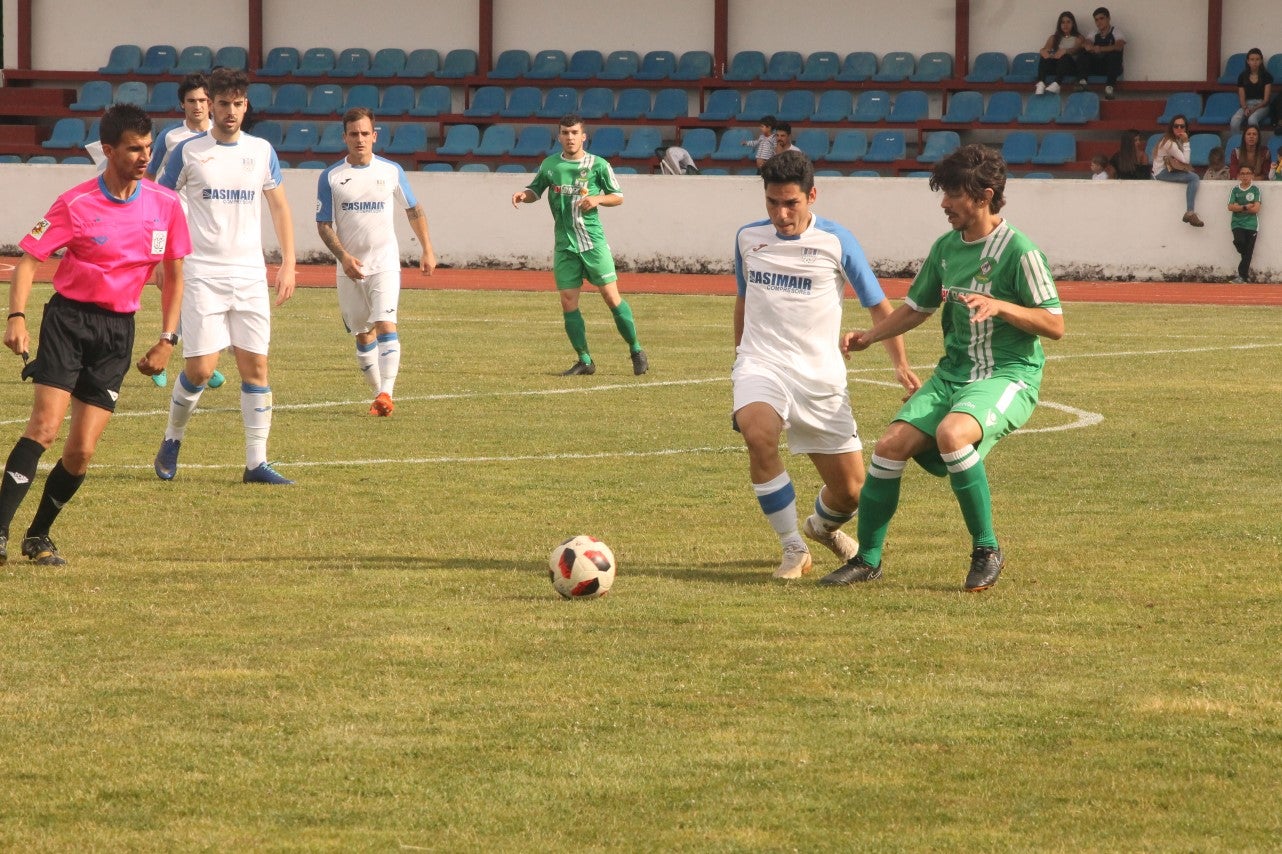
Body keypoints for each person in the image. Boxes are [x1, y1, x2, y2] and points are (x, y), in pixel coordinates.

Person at [818, 144, 1064, 592]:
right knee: (890, 444)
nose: (944, 203)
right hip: (953, 375)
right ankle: (868, 559)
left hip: (1007, 375)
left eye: (953, 192)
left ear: (985, 195)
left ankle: (986, 549)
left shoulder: (1020, 251)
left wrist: (1001, 306)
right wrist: (869, 337)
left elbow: (1054, 324)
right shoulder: (947, 248)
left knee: (952, 435)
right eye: (944, 192)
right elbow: (917, 307)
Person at [1, 103, 190, 566]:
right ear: (108, 150)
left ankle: (38, 536)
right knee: (44, 427)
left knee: (82, 451)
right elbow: (29, 260)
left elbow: (174, 273)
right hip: (68, 321)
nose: (145, 157)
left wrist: (168, 339)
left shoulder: (165, 206)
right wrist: (17, 317)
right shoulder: (75, 203)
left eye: (148, 148)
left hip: (116, 331)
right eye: (134, 149)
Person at [733, 150, 919, 580]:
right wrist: (739, 359)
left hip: (819, 377)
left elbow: (879, 307)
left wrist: (900, 364)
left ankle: (820, 528)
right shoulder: (747, 238)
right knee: (758, 434)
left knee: (851, 491)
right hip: (762, 364)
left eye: (791, 203)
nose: (781, 214)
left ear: (812, 196)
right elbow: (744, 300)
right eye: (772, 203)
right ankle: (792, 547)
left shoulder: (837, 241)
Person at [152, 67, 298, 485]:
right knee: (200, 369)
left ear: (245, 105)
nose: (229, 112)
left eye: (237, 104)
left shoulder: (261, 151)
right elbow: (160, 203)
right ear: (210, 105)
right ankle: (172, 437)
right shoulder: (188, 151)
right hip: (201, 274)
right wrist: (162, 260)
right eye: (222, 104)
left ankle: (256, 463)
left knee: (257, 368)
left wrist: (288, 262)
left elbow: (280, 208)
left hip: (250, 274)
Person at [317, 107, 436, 416]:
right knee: (362, 333)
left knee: (385, 323)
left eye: (365, 133)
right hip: (349, 268)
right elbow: (324, 224)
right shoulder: (331, 177)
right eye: (353, 134)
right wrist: (343, 257)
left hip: (384, 262)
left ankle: (387, 392)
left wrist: (427, 248)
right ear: (344, 137)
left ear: (375, 136)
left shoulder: (390, 171)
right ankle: (377, 393)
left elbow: (413, 209)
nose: (360, 139)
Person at [511, 114, 647, 377]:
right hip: (565, 245)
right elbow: (535, 190)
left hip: (593, 242)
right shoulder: (550, 165)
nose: (570, 137)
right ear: (559, 136)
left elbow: (618, 197)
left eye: (574, 132)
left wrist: (597, 200)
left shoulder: (598, 165)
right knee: (568, 300)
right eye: (565, 132)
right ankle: (585, 360)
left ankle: (636, 349)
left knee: (611, 297)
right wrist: (522, 195)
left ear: (584, 136)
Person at [144, 72, 224, 392]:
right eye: (192, 101)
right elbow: (149, 178)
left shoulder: (222, 138)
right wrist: (150, 224)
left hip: (208, 231)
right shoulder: (170, 138)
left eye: (203, 100)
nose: (198, 106)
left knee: (201, 297)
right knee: (173, 291)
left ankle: (197, 358)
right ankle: (168, 354)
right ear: (182, 104)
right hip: (171, 228)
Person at [1151, 115, 1204, 227]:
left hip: (1166, 170)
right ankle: (1190, 212)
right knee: (1194, 178)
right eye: (1176, 126)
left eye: (1182, 126)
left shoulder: (1172, 140)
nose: (1179, 128)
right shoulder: (1170, 143)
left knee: (1193, 176)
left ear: (1185, 128)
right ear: (1172, 127)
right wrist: (1186, 142)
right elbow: (1186, 160)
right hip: (1162, 172)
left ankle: (1190, 213)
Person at [1077, 6, 1125, 99]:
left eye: (1101, 18)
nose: (1099, 22)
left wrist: (1101, 49)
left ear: (1108, 18)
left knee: (1115, 54)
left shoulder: (1116, 32)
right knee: (1083, 53)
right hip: (1097, 66)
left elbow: (1119, 46)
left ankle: (1109, 87)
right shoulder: (1094, 32)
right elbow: (1086, 42)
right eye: (1096, 20)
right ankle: (1082, 82)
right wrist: (1087, 46)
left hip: (1111, 68)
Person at [1035, 11, 1085, 95]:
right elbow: (1044, 50)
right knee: (1044, 57)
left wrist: (1065, 51)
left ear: (1073, 24)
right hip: (1057, 67)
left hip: (1070, 67)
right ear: (1059, 24)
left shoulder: (1078, 37)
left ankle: (1057, 84)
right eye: (1063, 22)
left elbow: (1077, 49)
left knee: (1065, 56)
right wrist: (1044, 52)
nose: (1065, 25)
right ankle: (1041, 83)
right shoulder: (1054, 38)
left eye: (1068, 22)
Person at [1227, 164, 1262, 283]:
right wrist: (1246, 206)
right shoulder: (1235, 190)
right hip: (1237, 223)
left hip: (1252, 224)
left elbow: (1256, 209)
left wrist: (1240, 207)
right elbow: (1230, 207)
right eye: (1242, 173)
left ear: (1252, 175)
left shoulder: (1255, 190)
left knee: (1248, 252)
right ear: (1238, 176)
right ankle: (1243, 275)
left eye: (1248, 173)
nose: (1245, 176)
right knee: (1239, 242)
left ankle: (1242, 276)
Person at [1229, 48, 1274, 133]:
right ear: (1248, 61)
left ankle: (1255, 144)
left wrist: (1254, 109)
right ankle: (1237, 144)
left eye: (1257, 59)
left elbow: (1266, 100)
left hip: (1262, 105)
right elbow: (1242, 97)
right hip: (1246, 104)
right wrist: (1245, 108)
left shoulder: (1267, 76)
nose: (1255, 62)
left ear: (1261, 61)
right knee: (1235, 120)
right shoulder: (1242, 76)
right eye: (1252, 59)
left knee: (1252, 119)